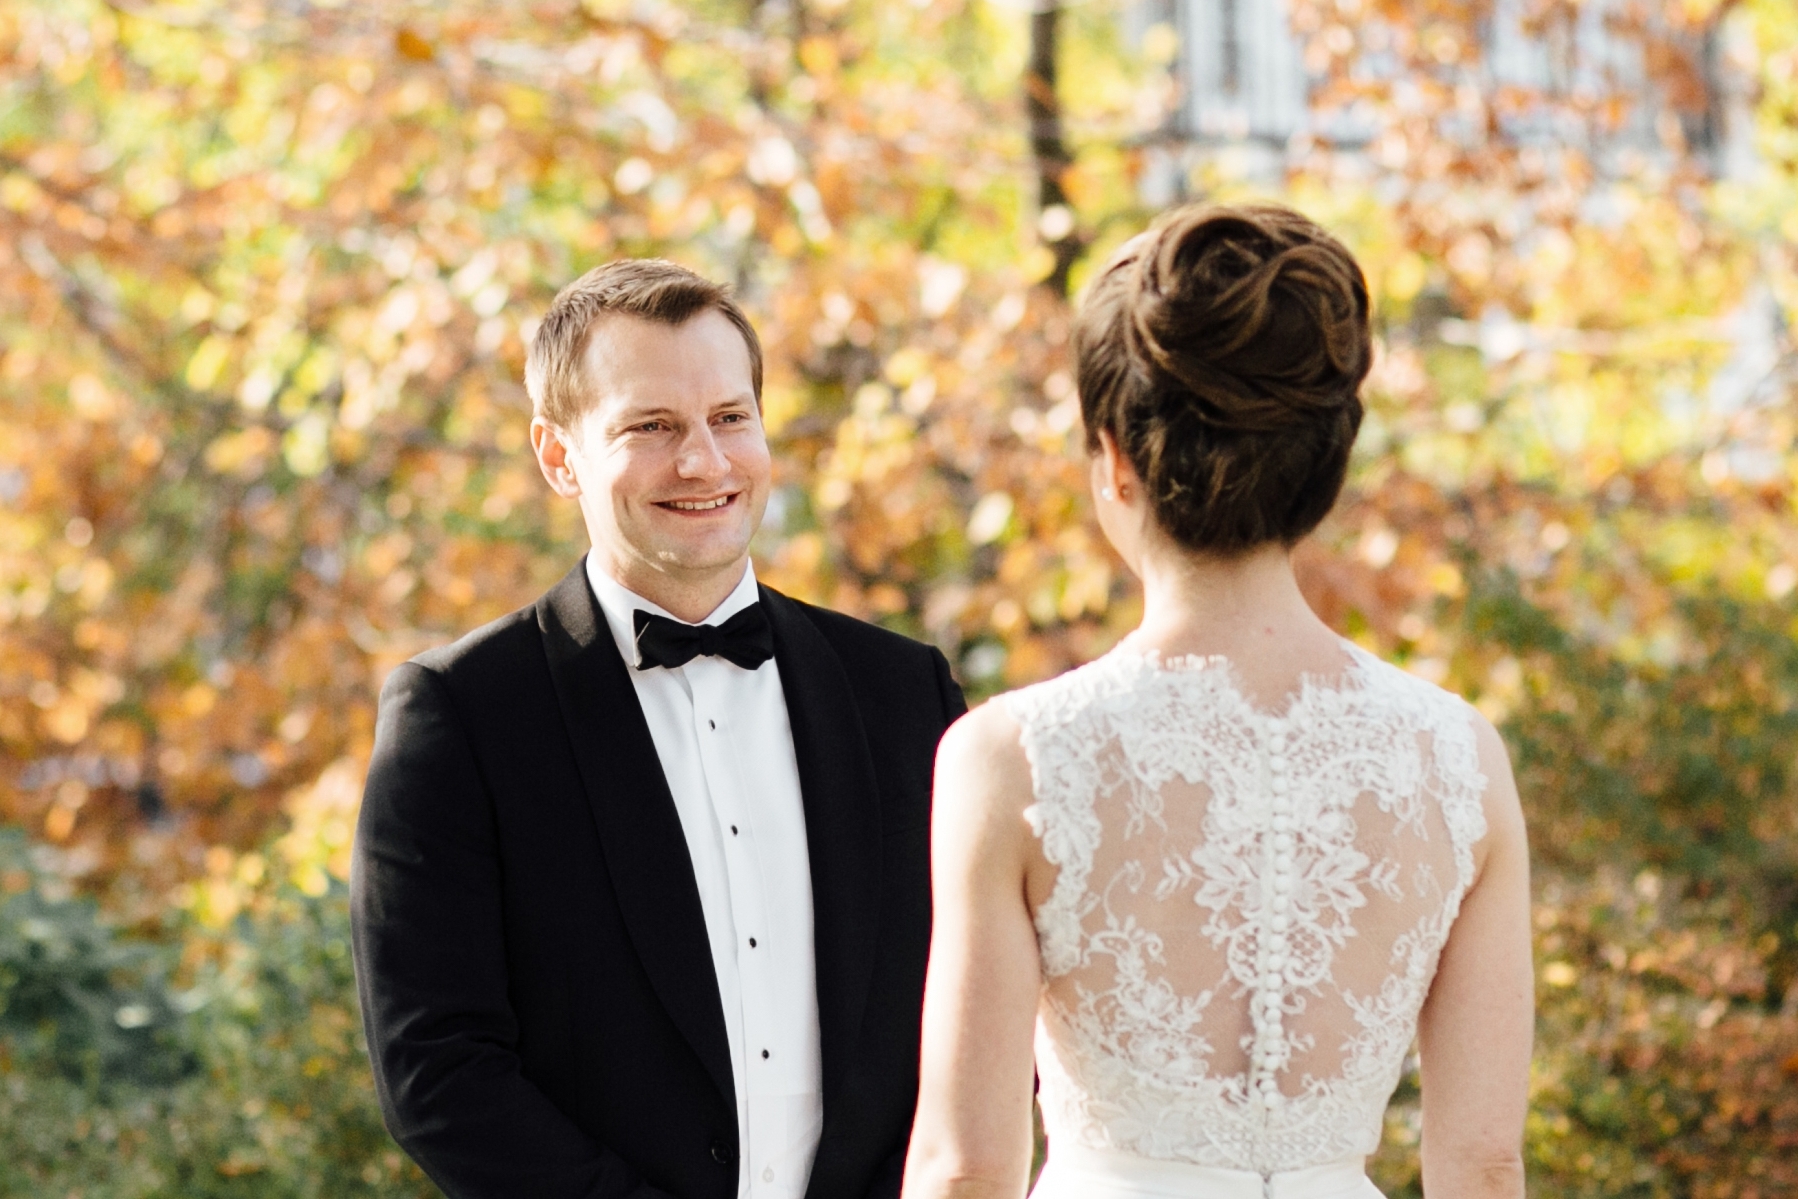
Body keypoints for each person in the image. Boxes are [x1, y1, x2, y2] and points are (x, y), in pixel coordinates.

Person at [902, 205, 1533, 1199]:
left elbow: (964, 1167)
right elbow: (1483, 1163)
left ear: (1113, 458)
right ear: (1328, 459)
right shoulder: (1456, 757)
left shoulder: (1013, 755)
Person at [352, 259, 966, 1199]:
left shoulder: (903, 692)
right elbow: (438, 1069)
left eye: (730, 418)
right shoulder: (462, 714)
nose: (705, 463)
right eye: (652, 426)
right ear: (559, 456)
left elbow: (977, 1011)